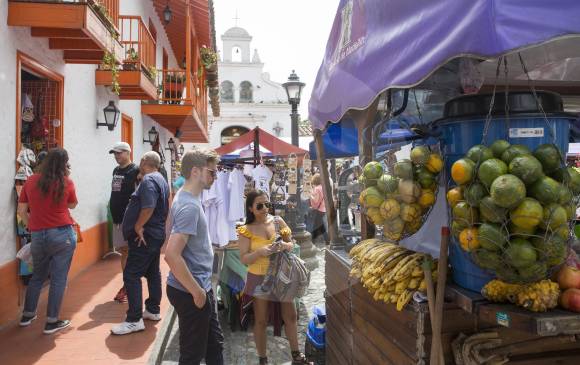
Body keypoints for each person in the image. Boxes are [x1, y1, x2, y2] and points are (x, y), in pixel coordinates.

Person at [164, 148, 224, 365]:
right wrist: (197, 292)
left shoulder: (186, 196)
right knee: (192, 356)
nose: (214, 176)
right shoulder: (189, 205)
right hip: (192, 290)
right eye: (212, 172)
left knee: (214, 346)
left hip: (198, 286)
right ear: (196, 171)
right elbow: (171, 255)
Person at [237, 190, 311, 365]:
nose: (264, 209)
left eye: (267, 204)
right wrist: (260, 252)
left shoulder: (278, 222)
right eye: (260, 205)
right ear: (250, 208)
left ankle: (296, 356)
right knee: (261, 320)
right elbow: (244, 259)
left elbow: (291, 244)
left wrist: (284, 245)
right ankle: (263, 359)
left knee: (291, 316)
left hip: (282, 276)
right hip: (259, 278)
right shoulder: (245, 230)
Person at [17, 148, 78, 334]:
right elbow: (72, 204)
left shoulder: (31, 180)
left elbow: (21, 211)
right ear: (64, 163)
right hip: (62, 234)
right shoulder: (66, 182)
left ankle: (28, 315)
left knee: (38, 276)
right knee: (58, 278)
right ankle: (51, 321)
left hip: (38, 235)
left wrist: (31, 225)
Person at [111, 151, 170, 335]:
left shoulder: (149, 180)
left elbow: (149, 206)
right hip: (154, 233)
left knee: (131, 274)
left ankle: (134, 319)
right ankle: (152, 310)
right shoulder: (160, 178)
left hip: (145, 235)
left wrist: (138, 225)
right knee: (152, 272)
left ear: (144, 162)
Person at [108, 142, 139, 303]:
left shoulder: (135, 171)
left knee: (128, 252)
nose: (116, 156)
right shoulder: (116, 170)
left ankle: (128, 285)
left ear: (128, 152)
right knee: (123, 251)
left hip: (129, 220)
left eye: (119, 153)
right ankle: (127, 284)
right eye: (115, 153)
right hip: (117, 218)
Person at [309, 174, 328, 244]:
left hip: (318, 210)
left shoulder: (317, 189)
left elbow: (316, 200)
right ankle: (314, 241)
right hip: (323, 209)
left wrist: (310, 195)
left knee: (318, 226)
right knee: (318, 226)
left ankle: (313, 241)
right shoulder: (323, 187)